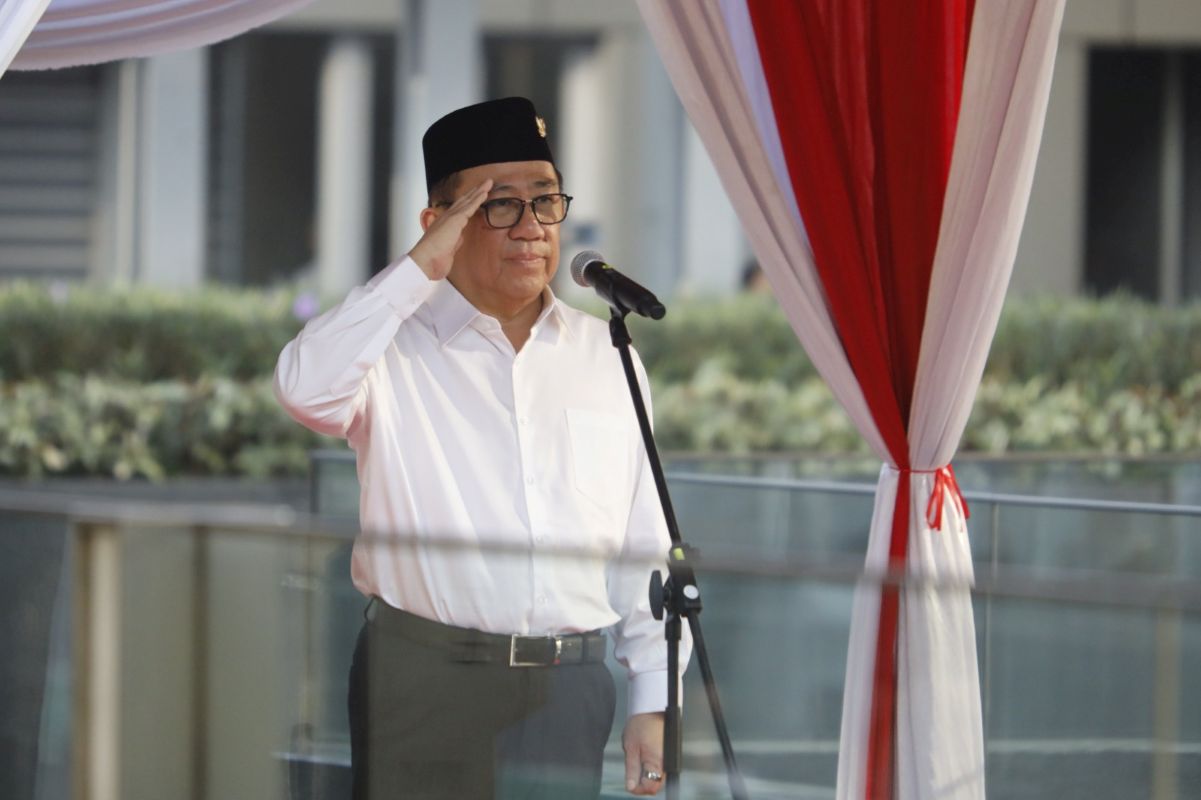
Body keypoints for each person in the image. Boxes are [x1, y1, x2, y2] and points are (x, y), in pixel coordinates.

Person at [274, 96, 689, 799]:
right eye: (497, 205)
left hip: (568, 686)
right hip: (423, 679)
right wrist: (413, 274)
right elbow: (303, 391)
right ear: (440, 223)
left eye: (545, 201)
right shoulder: (388, 345)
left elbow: (641, 539)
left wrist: (654, 698)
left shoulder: (603, 351)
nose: (529, 227)